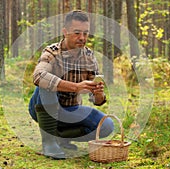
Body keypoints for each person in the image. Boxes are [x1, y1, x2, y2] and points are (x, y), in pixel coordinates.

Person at [28, 10, 114, 159]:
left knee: (107, 125)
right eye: (77, 33)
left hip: (70, 109)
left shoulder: (89, 58)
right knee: (46, 84)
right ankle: (48, 142)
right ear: (65, 32)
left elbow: (97, 101)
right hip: (42, 107)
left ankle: (61, 137)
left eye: (85, 33)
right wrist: (75, 87)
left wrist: (98, 94)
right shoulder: (52, 52)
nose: (82, 38)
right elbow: (38, 76)